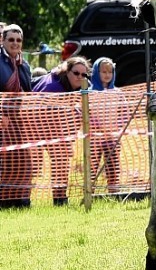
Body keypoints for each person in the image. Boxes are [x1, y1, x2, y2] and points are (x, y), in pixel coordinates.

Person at [32, 56, 89, 205]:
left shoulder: (82, 86)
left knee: (62, 161)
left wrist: (67, 139)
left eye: (84, 74)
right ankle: (19, 200)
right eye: (76, 73)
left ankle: (60, 199)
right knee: (32, 166)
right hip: (34, 124)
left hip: (57, 129)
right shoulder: (53, 88)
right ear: (67, 71)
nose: (80, 77)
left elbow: (77, 113)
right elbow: (42, 117)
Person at [0, 24, 33, 208]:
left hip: (18, 121)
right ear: (2, 41)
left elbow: (27, 92)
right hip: (1, 120)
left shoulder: (25, 65)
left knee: (22, 162)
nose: (15, 43)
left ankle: (21, 202)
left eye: (18, 40)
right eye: (11, 39)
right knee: (3, 164)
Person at [87, 58, 124, 194]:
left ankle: (113, 192)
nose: (107, 75)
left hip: (112, 137)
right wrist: (95, 127)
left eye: (110, 72)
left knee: (113, 166)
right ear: (97, 72)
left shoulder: (118, 93)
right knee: (92, 166)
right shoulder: (89, 93)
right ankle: (89, 192)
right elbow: (84, 113)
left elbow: (124, 113)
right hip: (94, 138)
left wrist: (117, 129)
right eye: (103, 72)